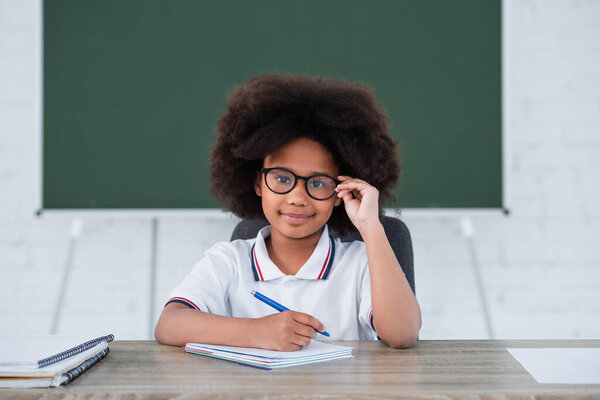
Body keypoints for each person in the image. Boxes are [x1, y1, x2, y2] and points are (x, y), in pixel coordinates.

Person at [155, 73, 421, 350]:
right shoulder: (228, 261)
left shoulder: (360, 264)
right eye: (282, 178)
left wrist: (371, 226)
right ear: (258, 183)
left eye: (318, 183)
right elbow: (169, 325)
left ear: (340, 194)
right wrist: (256, 332)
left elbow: (402, 335)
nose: (297, 198)